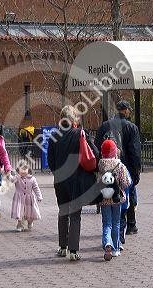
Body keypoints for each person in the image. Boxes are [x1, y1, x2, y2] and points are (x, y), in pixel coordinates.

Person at [47, 105, 99, 261]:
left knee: (63, 213)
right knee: (75, 215)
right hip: (76, 179)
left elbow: (50, 161)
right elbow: (94, 154)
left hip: (60, 181)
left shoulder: (53, 136)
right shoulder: (80, 134)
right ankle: (73, 250)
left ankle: (62, 247)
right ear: (74, 118)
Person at [95, 100, 141, 243]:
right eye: (129, 110)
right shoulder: (131, 127)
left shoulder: (104, 126)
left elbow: (97, 149)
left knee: (108, 198)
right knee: (128, 195)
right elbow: (135, 152)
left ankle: (110, 231)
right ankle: (130, 225)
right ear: (126, 111)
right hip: (124, 168)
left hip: (107, 169)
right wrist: (136, 171)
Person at [96, 140, 131, 261]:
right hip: (117, 199)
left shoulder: (100, 165)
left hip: (104, 199)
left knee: (107, 224)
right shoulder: (120, 165)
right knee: (116, 223)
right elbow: (126, 182)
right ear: (114, 151)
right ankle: (115, 249)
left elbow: (97, 182)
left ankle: (107, 244)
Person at [8, 160, 43, 232]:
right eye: (21, 169)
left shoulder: (32, 179)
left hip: (29, 198)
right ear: (18, 170)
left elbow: (36, 188)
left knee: (30, 212)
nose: (23, 171)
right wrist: (8, 174)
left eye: (25, 169)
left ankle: (30, 222)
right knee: (20, 212)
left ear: (28, 170)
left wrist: (39, 196)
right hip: (19, 198)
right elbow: (11, 180)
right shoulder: (17, 178)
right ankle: (19, 224)